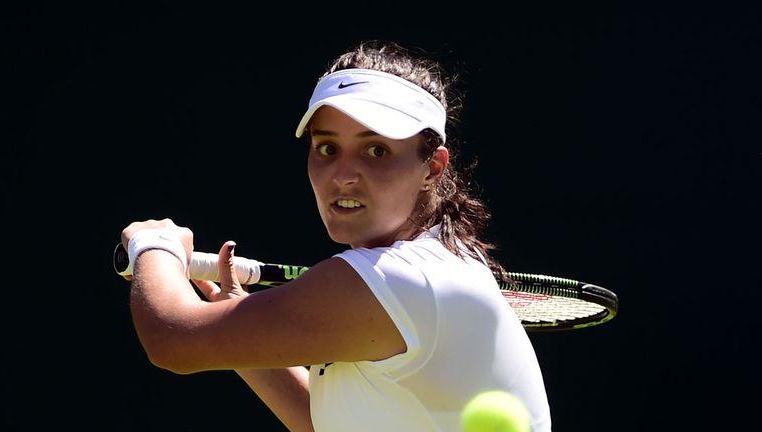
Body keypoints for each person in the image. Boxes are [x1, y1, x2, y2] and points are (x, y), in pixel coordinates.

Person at [120, 40, 552, 431]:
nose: (343, 175)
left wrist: (155, 246)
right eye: (326, 148)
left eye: (376, 150)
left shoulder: (396, 279)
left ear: (432, 166)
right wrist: (242, 329)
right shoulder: (433, 270)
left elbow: (171, 339)